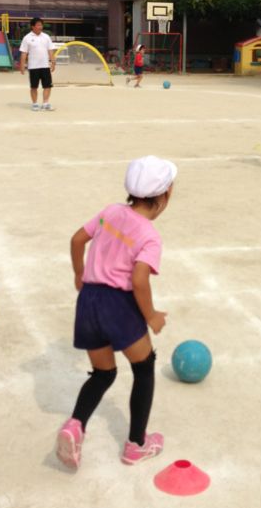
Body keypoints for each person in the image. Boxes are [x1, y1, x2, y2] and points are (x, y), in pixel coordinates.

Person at [56, 155, 177, 469]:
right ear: (166, 194)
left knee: (104, 373)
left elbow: (77, 240)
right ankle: (136, 444)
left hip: (89, 302)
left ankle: (75, 425)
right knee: (144, 367)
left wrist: (79, 274)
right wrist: (151, 315)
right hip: (118, 306)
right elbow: (139, 280)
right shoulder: (150, 236)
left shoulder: (111, 212)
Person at [19, 17, 56, 111]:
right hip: (33, 66)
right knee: (34, 86)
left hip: (45, 66)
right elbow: (24, 53)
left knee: (48, 86)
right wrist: (22, 65)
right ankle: (35, 104)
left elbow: (50, 50)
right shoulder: (27, 38)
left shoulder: (46, 37)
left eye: (41, 25)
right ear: (33, 26)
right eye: (38, 25)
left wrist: (53, 62)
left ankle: (45, 103)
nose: (40, 27)